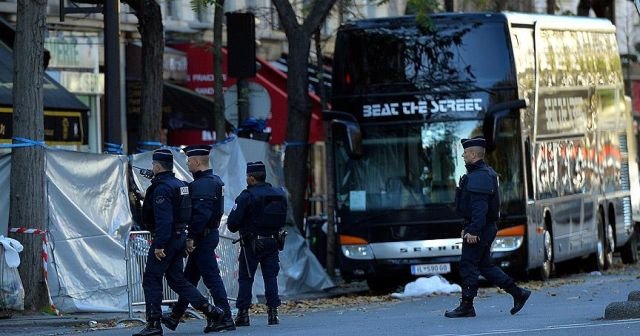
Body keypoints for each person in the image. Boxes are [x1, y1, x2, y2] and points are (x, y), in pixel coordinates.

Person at [134, 148, 224, 336]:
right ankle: (211, 311)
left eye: (153, 165)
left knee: (151, 279)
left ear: (157, 166)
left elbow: (164, 219)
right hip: (179, 238)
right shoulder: (180, 184)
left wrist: (159, 245)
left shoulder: (162, 188)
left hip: (165, 241)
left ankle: (153, 324)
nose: (152, 167)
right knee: (177, 280)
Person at [445, 137, 531, 318]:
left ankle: (467, 305)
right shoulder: (482, 174)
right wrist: (467, 227)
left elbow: (480, 209)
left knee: (468, 264)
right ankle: (518, 293)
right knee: (484, 265)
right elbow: (473, 208)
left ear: (474, 154)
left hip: (481, 229)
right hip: (482, 227)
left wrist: (473, 231)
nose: (463, 155)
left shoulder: (480, 177)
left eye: (466, 153)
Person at [161, 145, 236, 332]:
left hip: (202, 237)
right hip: (206, 236)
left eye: (188, 161)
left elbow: (201, 215)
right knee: (190, 278)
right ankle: (175, 316)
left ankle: (225, 317)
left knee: (211, 278)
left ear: (196, 162)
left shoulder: (203, 184)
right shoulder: (213, 181)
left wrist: (191, 237)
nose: (187, 165)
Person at [227, 161, 287, 326]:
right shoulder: (278, 194)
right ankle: (273, 313)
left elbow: (232, 223)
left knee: (246, 279)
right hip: (273, 241)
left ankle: (243, 314)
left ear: (251, 178)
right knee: (271, 277)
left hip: (251, 242)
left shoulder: (246, 196)